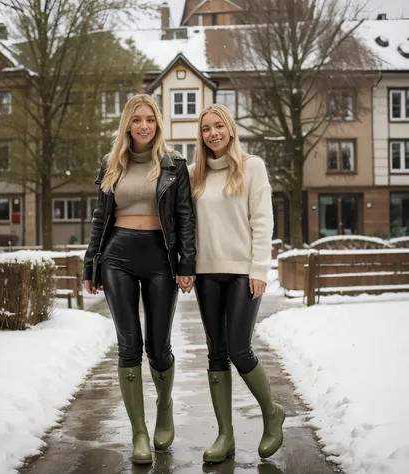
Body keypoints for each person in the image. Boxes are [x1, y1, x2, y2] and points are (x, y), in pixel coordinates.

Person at [83, 94, 196, 465]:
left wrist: (187, 264)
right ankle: (139, 432)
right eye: (136, 120)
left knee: (158, 346)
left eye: (149, 119)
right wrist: (91, 264)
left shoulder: (174, 164)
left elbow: (184, 218)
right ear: (127, 125)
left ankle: (164, 406)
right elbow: (100, 218)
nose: (143, 125)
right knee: (128, 344)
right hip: (117, 257)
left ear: (157, 123)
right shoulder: (110, 163)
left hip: (161, 258)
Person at [189, 104, 285, 463]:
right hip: (206, 273)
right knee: (216, 352)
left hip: (244, 272)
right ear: (200, 136)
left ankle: (272, 413)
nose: (212, 133)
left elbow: (262, 221)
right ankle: (225, 435)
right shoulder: (195, 174)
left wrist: (259, 268)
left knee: (239, 348)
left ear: (230, 129)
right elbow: (190, 226)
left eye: (218, 126)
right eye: (206, 129)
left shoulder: (252, 167)